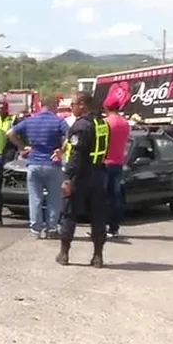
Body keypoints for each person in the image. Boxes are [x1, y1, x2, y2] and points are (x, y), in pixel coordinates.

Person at [56, 91, 110, 268]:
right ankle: (98, 256)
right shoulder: (102, 124)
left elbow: (77, 156)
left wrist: (69, 179)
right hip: (98, 174)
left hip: (80, 177)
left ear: (82, 105)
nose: (71, 108)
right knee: (98, 217)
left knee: (69, 214)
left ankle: (64, 253)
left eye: (73, 104)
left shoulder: (81, 126)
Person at [7, 97, 69, 239]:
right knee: (54, 199)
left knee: (35, 198)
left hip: (33, 163)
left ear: (41, 106)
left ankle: (35, 229)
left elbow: (10, 133)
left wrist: (22, 147)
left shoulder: (30, 121)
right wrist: (61, 150)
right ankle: (51, 229)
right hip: (52, 164)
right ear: (54, 105)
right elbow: (71, 135)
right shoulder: (58, 121)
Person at [102, 97, 131, 238]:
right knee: (116, 196)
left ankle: (102, 226)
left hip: (105, 162)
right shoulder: (125, 123)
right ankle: (114, 227)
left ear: (106, 108)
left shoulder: (106, 123)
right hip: (119, 162)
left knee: (101, 196)